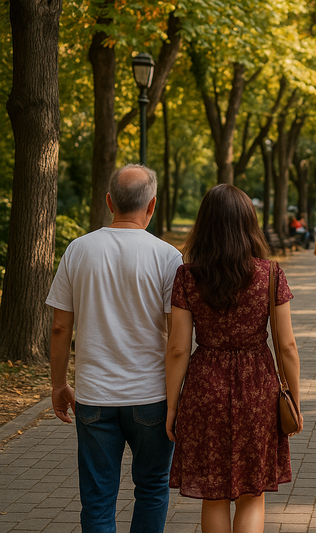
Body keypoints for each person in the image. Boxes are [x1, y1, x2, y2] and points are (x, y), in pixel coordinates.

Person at [46, 164, 183, 532]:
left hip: (93, 398)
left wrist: (59, 385)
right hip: (151, 397)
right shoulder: (168, 257)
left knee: (97, 498)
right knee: (152, 489)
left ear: (109, 201)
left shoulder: (78, 250)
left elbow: (61, 327)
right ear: (152, 205)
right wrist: (176, 398)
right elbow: (177, 339)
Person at [165, 184, 302, 533]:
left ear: (204, 224)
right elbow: (286, 346)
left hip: (205, 384)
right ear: (249, 223)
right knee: (251, 495)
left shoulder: (188, 275)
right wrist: (294, 400)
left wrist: (171, 405)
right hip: (258, 387)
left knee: (214, 494)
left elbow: (178, 348)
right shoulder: (270, 274)